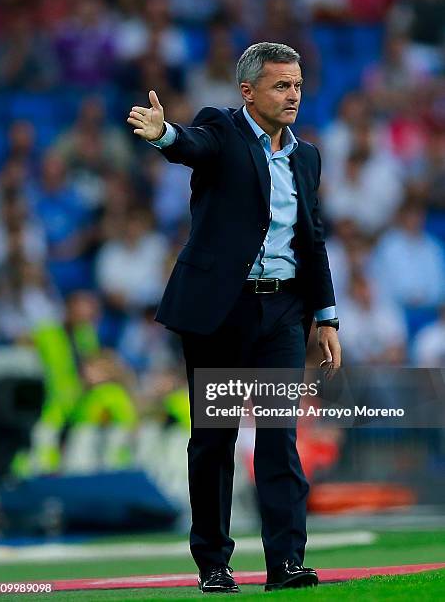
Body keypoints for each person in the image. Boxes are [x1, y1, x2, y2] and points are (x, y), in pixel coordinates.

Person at [127, 42, 341, 593]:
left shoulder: (306, 155)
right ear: (248, 91)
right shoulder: (220, 128)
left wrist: (327, 317)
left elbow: (312, 241)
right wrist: (164, 134)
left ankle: (286, 564)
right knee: (215, 441)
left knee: (278, 439)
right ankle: (214, 565)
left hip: (282, 314)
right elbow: (191, 146)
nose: (293, 95)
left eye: (296, 85)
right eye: (280, 86)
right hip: (222, 314)